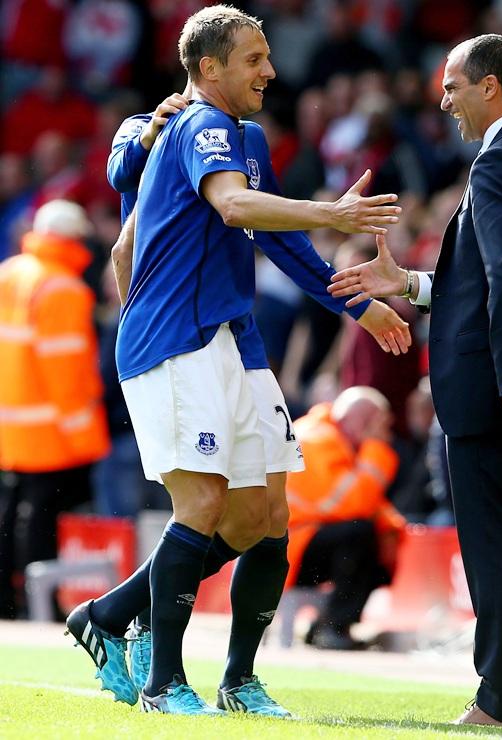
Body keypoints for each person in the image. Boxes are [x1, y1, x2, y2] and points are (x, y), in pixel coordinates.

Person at [65, 4, 411, 717]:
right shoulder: (199, 124)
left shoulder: (241, 134)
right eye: (254, 59)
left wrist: (358, 303)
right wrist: (332, 213)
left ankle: (223, 674)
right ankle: (164, 683)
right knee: (202, 504)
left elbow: (271, 234)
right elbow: (230, 207)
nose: (271, 71)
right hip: (174, 336)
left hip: (233, 337)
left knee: (266, 516)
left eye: (268, 56)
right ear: (209, 67)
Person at [328, 34, 502, 729]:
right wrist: (411, 283)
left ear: (489, 87)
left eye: (452, 85)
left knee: (498, 545)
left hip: (496, 390)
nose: (442, 98)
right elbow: (493, 277)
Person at [0, 200, 110, 618]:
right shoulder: (63, 288)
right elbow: (65, 374)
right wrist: (86, 439)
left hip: (11, 426)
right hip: (52, 431)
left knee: (11, 515)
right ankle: (37, 604)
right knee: (42, 520)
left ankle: (8, 600)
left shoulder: (9, 273)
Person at [284, 386, 405, 650]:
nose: (387, 435)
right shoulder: (317, 439)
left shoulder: (335, 440)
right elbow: (352, 505)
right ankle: (333, 628)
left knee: (378, 550)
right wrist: (375, 448)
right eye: (381, 426)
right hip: (288, 549)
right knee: (359, 533)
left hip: (307, 544)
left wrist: (393, 531)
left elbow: (372, 506)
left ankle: (328, 624)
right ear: (362, 421)